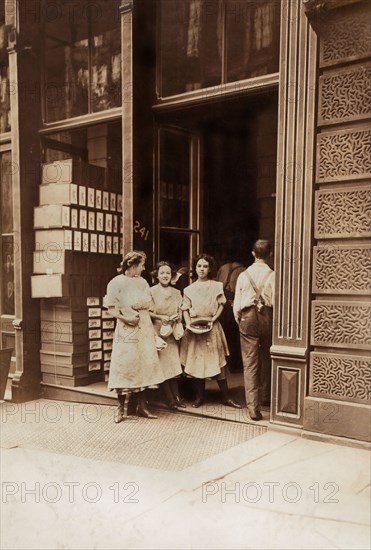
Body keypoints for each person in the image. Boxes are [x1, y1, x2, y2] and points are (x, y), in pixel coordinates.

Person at [103, 250, 166, 423]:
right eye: (142, 265)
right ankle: (120, 408)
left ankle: (142, 406)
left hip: (143, 326)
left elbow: (148, 304)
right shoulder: (116, 283)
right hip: (126, 328)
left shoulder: (143, 282)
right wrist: (126, 318)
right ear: (132, 265)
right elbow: (111, 308)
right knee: (124, 365)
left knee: (143, 364)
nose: (144, 269)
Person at [180, 253, 242, 409]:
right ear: (195, 268)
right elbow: (185, 309)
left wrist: (213, 319)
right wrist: (189, 325)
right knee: (197, 362)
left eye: (205, 266)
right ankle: (199, 397)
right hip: (194, 329)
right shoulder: (189, 289)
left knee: (218, 363)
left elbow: (221, 304)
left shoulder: (216, 286)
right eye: (199, 266)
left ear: (210, 269)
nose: (202, 269)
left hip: (212, 327)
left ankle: (226, 396)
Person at [233, 240, 275, 421]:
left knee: (250, 363)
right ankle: (265, 398)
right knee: (267, 359)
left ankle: (253, 408)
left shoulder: (243, 275)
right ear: (270, 254)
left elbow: (236, 304)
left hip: (247, 317)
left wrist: (240, 319)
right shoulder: (273, 275)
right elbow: (277, 300)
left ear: (252, 253)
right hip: (267, 317)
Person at [149, 261, 186, 410]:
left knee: (173, 365)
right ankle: (170, 399)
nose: (165, 275)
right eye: (162, 272)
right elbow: (147, 312)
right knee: (163, 365)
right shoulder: (151, 291)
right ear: (157, 275)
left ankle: (177, 397)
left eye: (168, 273)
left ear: (172, 276)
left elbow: (180, 310)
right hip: (158, 331)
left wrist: (177, 317)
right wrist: (159, 317)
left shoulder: (177, 293)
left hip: (171, 331)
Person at [216, 257, 246, 372]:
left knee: (224, 334)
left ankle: (224, 364)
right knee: (234, 336)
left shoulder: (222, 268)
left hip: (222, 303)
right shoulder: (243, 269)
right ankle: (235, 366)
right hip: (233, 302)